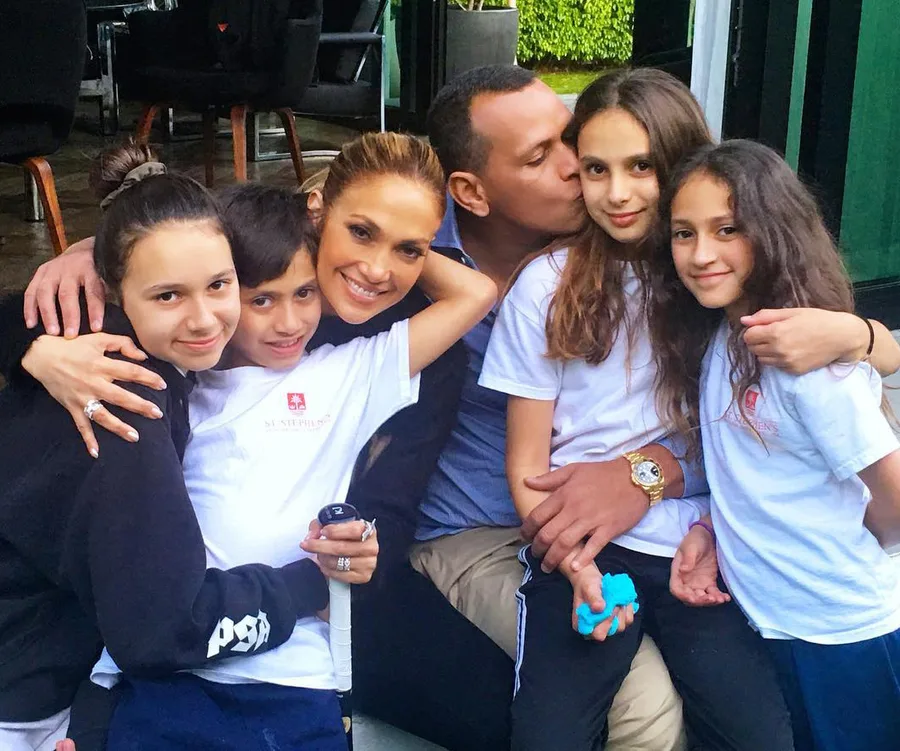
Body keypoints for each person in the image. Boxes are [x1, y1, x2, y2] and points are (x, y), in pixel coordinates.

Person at [19, 66, 900, 751]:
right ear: (472, 195)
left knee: (697, 700)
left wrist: (856, 345)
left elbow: (754, 396)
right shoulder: (304, 279)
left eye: (592, 154)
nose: (589, 177)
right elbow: (196, 251)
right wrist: (85, 268)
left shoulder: (677, 259)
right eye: (566, 159)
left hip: (567, 539)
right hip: (450, 547)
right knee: (602, 710)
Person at [83, 143, 495, 749]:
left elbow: (475, 294)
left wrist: (382, 247)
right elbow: (149, 272)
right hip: (170, 668)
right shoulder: (177, 375)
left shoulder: (347, 373)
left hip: (295, 671)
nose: (288, 322)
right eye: (261, 299)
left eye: (304, 294)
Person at [477, 74, 793, 751]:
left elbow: (757, 440)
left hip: (696, 545)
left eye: (641, 166)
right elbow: (528, 465)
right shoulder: (547, 284)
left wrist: (654, 484)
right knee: (550, 733)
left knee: (758, 732)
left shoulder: (716, 277)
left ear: (680, 164)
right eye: (596, 169)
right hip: (582, 550)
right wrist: (576, 566)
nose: (617, 193)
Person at [0, 144, 335, 751]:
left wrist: (28, 335)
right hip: (25, 705)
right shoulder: (127, 410)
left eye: (220, 285)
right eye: (168, 296)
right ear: (112, 290)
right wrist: (309, 585)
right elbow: (163, 633)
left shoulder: (78, 338)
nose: (206, 319)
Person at [653, 139, 900, 751]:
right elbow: (761, 473)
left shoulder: (805, 360)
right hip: (771, 621)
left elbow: (893, 501)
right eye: (684, 233)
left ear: (774, 230)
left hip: (842, 630)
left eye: (727, 229)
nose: (701, 254)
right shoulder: (723, 334)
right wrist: (714, 527)